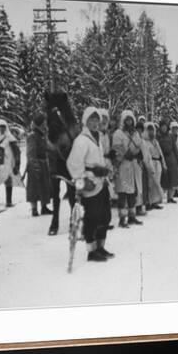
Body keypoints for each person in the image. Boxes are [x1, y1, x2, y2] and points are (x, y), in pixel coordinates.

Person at [66, 107, 113, 262]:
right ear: (85, 121)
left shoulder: (98, 138)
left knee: (105, 216)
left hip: (101, 182)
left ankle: (100, 246)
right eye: (91, 120)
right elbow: (73, 164)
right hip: (90, 183)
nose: (94, 123)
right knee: (92, 218)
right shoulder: (81, 140)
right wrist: (82, 182)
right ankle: (91, 251)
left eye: (96, 119)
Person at [112, 110, 143, 228]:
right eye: (127, 120)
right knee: (122, 193)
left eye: (131, 120)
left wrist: (138, 153)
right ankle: (122, 219)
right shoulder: (118, 133)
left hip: (133, 165)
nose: (129, 122)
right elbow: (116, 148)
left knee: (131, 192)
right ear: (123, 120)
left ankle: (132, 216)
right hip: (122, 165)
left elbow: (139, 145)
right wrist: (125, 153)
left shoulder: (135, 133)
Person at [26, 112, 53, 217]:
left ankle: (44, 207)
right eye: (43, 122)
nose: (45, 124)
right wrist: (35, 166)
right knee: (34, 187)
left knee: (45, 186)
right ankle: (34, 209)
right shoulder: (32, 136)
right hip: (35, 164)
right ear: (39, 123)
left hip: (43, 163)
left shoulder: (43, 135)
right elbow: (31, 153)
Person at [0, 119, 21, 207]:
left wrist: (17, 164)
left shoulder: (10, 138)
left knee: (8, 180)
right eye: (0, 127)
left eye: (4, 127)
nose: (2, 129)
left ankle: (8, 201)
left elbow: (17, 152)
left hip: (7, 163)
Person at [143, 122, 165, 210]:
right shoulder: (145, 142)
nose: (151, 132)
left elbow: (160, 153)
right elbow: (146, 155)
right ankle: (148, 202)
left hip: (157, 162)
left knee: (157, 182)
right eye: (149, 130)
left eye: (152, 130)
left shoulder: (155, 141)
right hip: (150, 162)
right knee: (150, 183)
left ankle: (155, 201)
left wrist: (163, 163)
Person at [158, 120, 178, 204]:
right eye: (162, 126)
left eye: (165, 126)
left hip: (171, 158)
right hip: (162, 158)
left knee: (172, 178)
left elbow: (174, 148)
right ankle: (159, 197)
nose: (164, 128)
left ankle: (170, 197)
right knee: (163, 178)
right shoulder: (158, 136)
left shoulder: (170, 136)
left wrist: (177, 159)